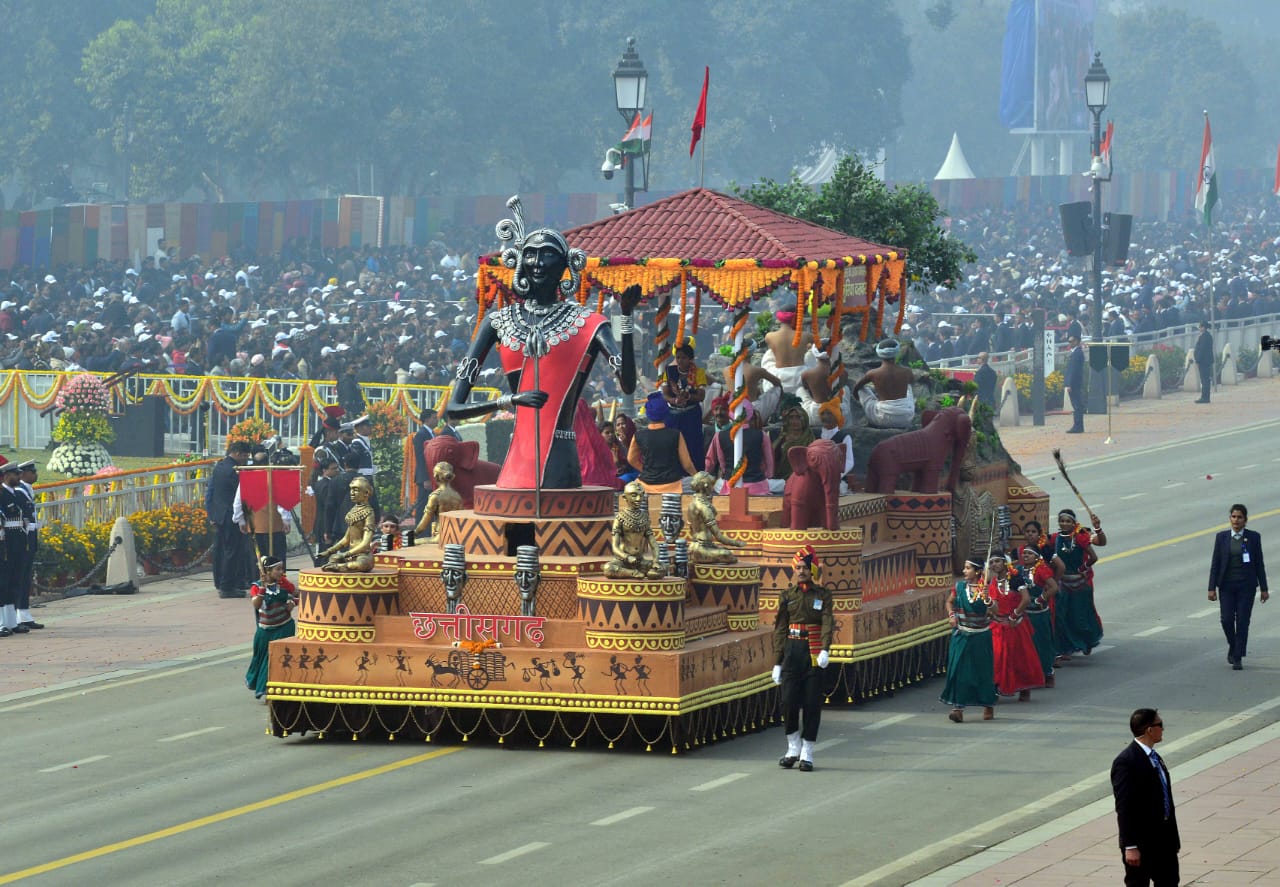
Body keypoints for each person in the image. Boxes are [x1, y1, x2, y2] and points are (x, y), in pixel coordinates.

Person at [444, 204, 639, 489]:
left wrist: (626, 318)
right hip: (517, 465)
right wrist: (511, 400)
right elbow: (454, 408)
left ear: (565, 265)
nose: (537, 262)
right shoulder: (497, 322)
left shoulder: (589, 323)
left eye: (547, 254)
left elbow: (628, 384)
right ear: (520, 262)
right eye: (530, 254)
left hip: (562, 465)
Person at [771, 545, 834, 771]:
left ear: (812, 570)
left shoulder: (823, 595)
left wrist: (825, 649)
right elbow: (780, 628)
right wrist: (777, 662)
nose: (801, 571)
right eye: (798, 567)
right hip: (792, 651)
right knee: (788, 701)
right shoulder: (787, 596)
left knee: (811, 703)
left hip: (813, 652)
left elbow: (827, 622)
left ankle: (807, 752)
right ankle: (793, 746)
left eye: (805, 567)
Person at [1111, 708, 1179, 886]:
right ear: (1149, 730)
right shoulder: (1126, 762)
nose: (1163, 729)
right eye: (1160, 725)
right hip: (1141, 844)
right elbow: (1124, 808)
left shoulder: (1155, 757)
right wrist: (1130, 846)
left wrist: (1174, 840)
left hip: (1164, 841)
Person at [1208, 503, 1268, 670]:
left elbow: (1259, 564)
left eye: (1239, 517)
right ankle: (1234, 645)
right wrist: (1211, 588)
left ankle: (1238, 656)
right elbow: (1215, 564)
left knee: (1242, 621)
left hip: (1246, 587)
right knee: (1226, 619)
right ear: (1230, 518)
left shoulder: (1254, 537)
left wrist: (1264, 588)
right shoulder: (1221, 537)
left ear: (1245, 520)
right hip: (1226, 586)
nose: (1236, 520)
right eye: (1233, 517)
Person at [940, 557, 997, 723]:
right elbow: (949, 602)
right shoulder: (959, 587)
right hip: (962, 635)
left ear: (977, 571)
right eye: (964, 568)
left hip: (980, 637)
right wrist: (951, 615)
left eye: (968, 568)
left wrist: (988, 599)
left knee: (983, 672)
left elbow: (996, 610)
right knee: (958, 670)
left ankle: (988, 704)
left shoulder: (987, 588)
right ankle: (958, 709)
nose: (964, 571)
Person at [987, 555, 1044, 701]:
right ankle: (995, 687)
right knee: (997, 658)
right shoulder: (992, 582)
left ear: (1005, 562)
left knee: (1019, 659)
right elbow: (994, 605)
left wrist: (1014, 615)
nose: (994, 564)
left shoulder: (1015, 579)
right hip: (998, 626)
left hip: (1015, 625)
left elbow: (1026, 599)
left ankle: (1024, 688)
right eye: (991, 562)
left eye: (997, 561)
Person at [1052, 508, 1104, 659]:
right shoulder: (1055, 539)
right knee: (1062, 615)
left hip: (1080, 584)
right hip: (1063, 583)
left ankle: (1087, 641)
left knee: (1080, 616)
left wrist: (1098, 528)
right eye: (1062, 521)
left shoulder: (1081, 537)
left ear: (1074, 523)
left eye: (1068, 521)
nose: (1064, 524)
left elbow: (1096, 552)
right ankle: (1066, 648)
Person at [244, 555, 297, 700]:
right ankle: (261, 685)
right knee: (260, 659)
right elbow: (256, 605)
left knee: (273, 658)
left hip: (284, 627)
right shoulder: (256, 587)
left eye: (281, 569)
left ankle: (269, 689)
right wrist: (262, 588)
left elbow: (296, 595)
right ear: (267, 571)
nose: (281, 572)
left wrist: (292, 603)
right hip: (265, 630)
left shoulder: (284, 584)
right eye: (277, 569)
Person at [205, 440, 252, 598]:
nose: (246, 459)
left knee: (223, 551)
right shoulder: (234, 471)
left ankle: (224, 582)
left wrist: (212, 514)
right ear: (237, 453)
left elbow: (212, 492)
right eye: (245, 456)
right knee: (232, 551)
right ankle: (227, 586)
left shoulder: (220, 466)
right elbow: (240, 495)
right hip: (231, 515)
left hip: (220, 515)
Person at [629, 391, 697, 494]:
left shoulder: (638, 435)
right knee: (701, 484)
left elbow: (631, 459)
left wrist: (645, 471)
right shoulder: (676, 434)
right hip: (673, 485)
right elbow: (687, 464)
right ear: (666, 412)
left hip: (646, 485)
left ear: (648, 413)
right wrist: (697, 477)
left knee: (630, 488)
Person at [1012, 545, 1059, 688]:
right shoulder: (1017, 571)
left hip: (1039, 615)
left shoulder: (1041, 570)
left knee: (1042, 645)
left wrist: (1041, 599)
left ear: (1037, 557)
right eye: (1024, 553)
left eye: (1029, 553)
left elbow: (1054, 587)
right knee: (1026, 647)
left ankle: (1048, 673)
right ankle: (1029, 676)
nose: (1025, 555)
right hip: (1024, 615)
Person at [703, 401, 774, 495]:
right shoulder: (762, 435)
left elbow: (716, 462)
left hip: (730, 486)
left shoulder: (719, 436)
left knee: (716, 484)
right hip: (757, 486)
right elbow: (769, 463)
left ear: (731, 414)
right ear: (749, 414)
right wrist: (766, 476)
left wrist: (706, 475)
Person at [660, 340, 707, 471]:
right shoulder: (669, 371)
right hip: (673, 415)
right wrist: (675, 400)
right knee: (673, 444)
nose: (680, 361)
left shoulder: (699, 372)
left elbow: (701, 396)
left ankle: (695, 474)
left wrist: (688, 397)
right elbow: (665, 395)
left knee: (692, 444)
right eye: (678, 357)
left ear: (691, 359)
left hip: (691, 415)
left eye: (684, 358)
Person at [603, 480, 663, 580]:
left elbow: (653, 544)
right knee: (608, 568)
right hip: (623, 560)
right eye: (634, 495)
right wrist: (627, 557)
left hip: (640, 560)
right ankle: (632, 573)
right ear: (624, 497)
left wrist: (656, 561)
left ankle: (641, 572)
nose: (638, 499)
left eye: (641, 495)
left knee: (662, 567)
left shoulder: (644, 517)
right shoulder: (620, 518)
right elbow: (615, 547)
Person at [851, 338, 915, 429]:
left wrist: (858, 398)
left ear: (879, 354)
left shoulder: (872, 373)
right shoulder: (907, 371)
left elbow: (856, 388)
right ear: (896, 353)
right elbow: (912, 381)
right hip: (906, 418)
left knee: (862, 389)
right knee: (908, 387)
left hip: (882, 419)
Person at [685, 471, 747, 563]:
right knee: (727, 554)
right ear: (706, 486)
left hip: (696, 545)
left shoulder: (692, 504)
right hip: (701, 548)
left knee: (724, 551)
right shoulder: (704, 507)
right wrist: (738, 543)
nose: (713, 488)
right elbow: (719, 536)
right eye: (711, 485)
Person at [318, 476, 376, 572]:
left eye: (356, 490)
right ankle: (340, 566)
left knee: (361, 564)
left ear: (366, 493)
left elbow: (365, 543)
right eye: (351, 490)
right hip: (350, 555)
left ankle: (339, 567)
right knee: (333, 558)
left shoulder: (369, 513)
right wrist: (329, 551)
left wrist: (345, 554)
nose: (352, 493)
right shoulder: (353, 510)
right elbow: (346, 539)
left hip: (363, 555)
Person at [15, 461, 44, 631]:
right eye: (32, 471)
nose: (35, 474)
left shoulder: (27, 490)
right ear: (24, 473)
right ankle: (18, 616)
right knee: (20, 577)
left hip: (30, 537)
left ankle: (24, 614)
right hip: (23, 539)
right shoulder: (19, 491)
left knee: (25, 577)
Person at [0, 462, 28, 636]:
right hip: (6, 542)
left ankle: (11, 622)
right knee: (2, 582)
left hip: (18, 540)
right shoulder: (2, 495)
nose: (19, 477)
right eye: (15, 474)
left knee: (14, 581)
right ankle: (1, 622)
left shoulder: (17, 494)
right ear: (6, 476)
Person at [413, 461, 463, 542]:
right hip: (455, 536)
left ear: (436, 476)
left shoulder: (435, 496)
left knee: (412, 542)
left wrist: (415, 533)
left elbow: (425, 521)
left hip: (440, 536)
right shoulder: (457, 496)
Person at [771, 395, 814, 485]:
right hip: (779, 480)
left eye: (798, 417)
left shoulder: (810, 438)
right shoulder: (781, 437)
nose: (794, 421)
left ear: (804, 418)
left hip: (802, 480)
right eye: (791, 417)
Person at [816, 397, 855, 493]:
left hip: (837, 480)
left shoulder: (844, 437)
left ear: (837, 416)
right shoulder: (815, 435)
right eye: (823, 413)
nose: (825, 417)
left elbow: (849, 461)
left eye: (829, 413)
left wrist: (835, 476)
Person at [411, 406, 437, 524]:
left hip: (432, 475)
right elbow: (420, 458)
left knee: (430, 504)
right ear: (427, 419)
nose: (437, 420)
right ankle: (420, 529)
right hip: (425, 477)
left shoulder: (432, 433)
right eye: (434, 418)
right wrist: (425, 478)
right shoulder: (421, 435)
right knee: (423, 505)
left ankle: (428, 529)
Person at [1064, 333, 1086, 433]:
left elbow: (1073, 371)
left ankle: (1078, 426)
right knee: (1077, 405)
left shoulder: (1077, 353)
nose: (1069, 343)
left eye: (1071, 341)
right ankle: (1078, 425)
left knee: (1076, 405)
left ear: (1076, 341)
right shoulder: (1076, 352)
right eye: (1069, 341)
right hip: (1075, 383)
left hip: (1074, 384)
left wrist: (1069, 384)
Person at [1193, 321, 1214, 404]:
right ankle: (1206, 396)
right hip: (1207, 361)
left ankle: (1204, 397)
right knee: (1206, 379)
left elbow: (1202, 350)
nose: (1199, 328)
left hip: (1203, 361)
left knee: (1204, 380)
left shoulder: (1204, 337)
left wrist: (1198, 359)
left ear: (1203, 327)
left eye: (1200, 327)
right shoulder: (1208, 336)